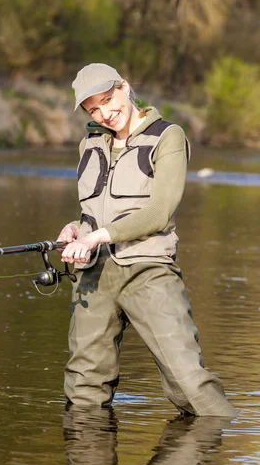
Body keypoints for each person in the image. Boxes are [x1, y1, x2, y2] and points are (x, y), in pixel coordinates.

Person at [57, 63, 236, 417]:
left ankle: (216, 452)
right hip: (93, 275)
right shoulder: (89, 143)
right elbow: (93, 212)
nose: (105, 113)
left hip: (148, 270)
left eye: (109, 100)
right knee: (83, 390)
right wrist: (75, 231)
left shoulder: (167, 136)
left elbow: (159, 212)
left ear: (125, 87)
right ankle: (87, 463)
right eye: (94, 109)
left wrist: (98, 237)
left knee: (189, 383)